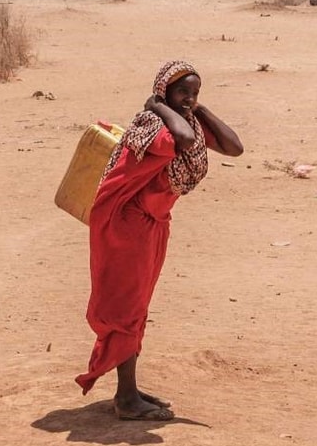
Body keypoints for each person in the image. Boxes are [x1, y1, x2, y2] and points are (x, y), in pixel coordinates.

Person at [77, 61, 244, 420]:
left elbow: (234, 148)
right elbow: (181, 139)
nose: (189, 100)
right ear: (163, 92)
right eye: (182, 92)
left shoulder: (186, 121)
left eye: (195, 93)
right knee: (127, 306)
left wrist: (198, 108)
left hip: (151, 222)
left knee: (138, 305)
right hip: (125, 224)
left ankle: (129, 387)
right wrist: (157, 107)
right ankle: (125, 398)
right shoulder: (152, 125)